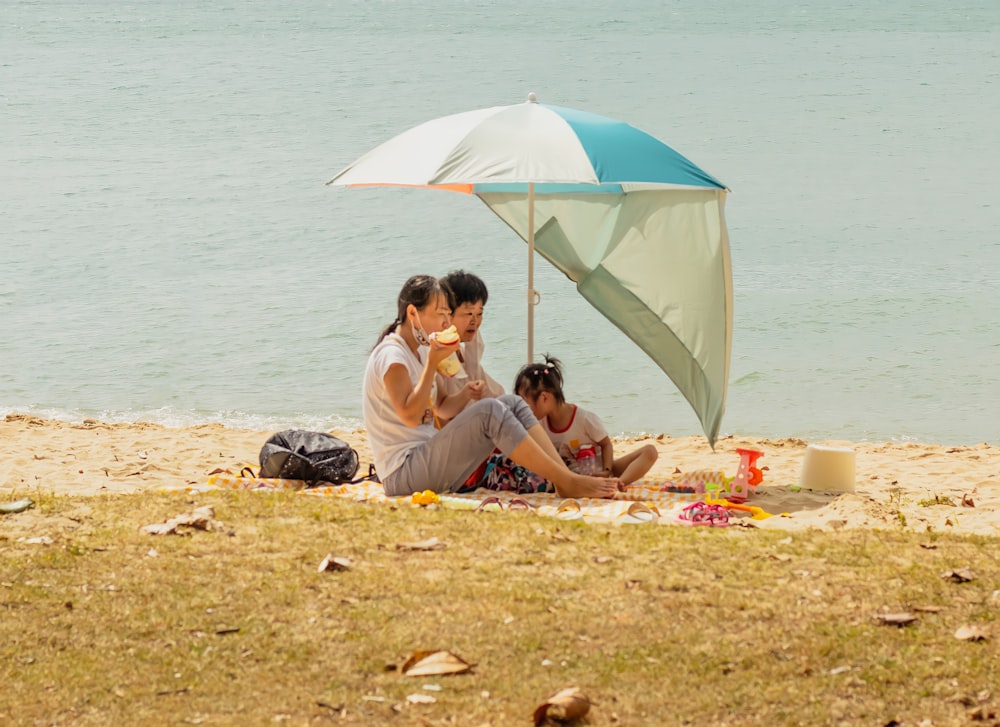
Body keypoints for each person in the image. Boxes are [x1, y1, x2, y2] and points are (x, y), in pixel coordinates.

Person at [362, 275, 621, 499]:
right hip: (402, 475)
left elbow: (441, 405)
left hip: (426, 460)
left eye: (446, 314)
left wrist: (463, 392)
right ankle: (568, 482)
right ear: (412, 314)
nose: (444, 322)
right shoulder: (393, 356)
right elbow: (409, 416)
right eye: (439, 314)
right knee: (489, 412)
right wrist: (432, 365)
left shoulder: (418, 352)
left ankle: (563, 479)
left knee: (511, 403)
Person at [514, 355, 658, 485]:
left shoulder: (584, 419)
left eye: (525, 403)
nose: (523, 409)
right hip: (571, 477)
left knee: (650, 452)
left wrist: (607, 471)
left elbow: (606, 444)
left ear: (544, 397)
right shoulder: (539, 425)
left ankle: (619, 483)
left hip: (598, 471)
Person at [438, 270, 505, 399]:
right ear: (447, 314)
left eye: (479, 314)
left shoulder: (465, 354)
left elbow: (498, 393)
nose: (475, 321)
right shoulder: (439, 357)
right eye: (469, 314)